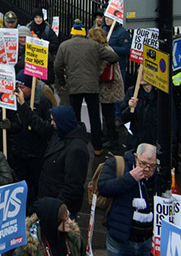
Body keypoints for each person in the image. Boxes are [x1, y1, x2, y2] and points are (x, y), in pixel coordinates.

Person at [52, 21, 117, 154]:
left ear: (72, 33)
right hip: (92, 86)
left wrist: (62, 82)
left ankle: (77, 145)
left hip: (74, 86)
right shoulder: (94, 45)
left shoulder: (64, 46)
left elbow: (57, 66)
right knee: (94, 117)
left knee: (75, 117)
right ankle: (97, 147)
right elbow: (113, 57)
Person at [97, 143, 157, 256]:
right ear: (135, 157)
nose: (147, 169)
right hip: (120, 239)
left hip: (147, 241)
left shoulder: (156, 175)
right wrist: (129, 178)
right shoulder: (116, 164)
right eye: (143, 164)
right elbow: (103, 188)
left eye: (152, 166)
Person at [35, 106, 92, 216]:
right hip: (49, 201)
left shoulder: (77, 149)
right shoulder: (60, 134)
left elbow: (73, 187)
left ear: (62, 122)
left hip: (59, 209)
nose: (51, 123)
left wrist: (57, 209)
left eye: (53, 120)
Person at [89, 26, 125, 152]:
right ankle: (109, 137)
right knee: (107, 113)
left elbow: (100, 70)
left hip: (109, 87)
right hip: (109, 87)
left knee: (108, 114)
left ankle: (112, 139)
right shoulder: (106, 48)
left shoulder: (104, 51)